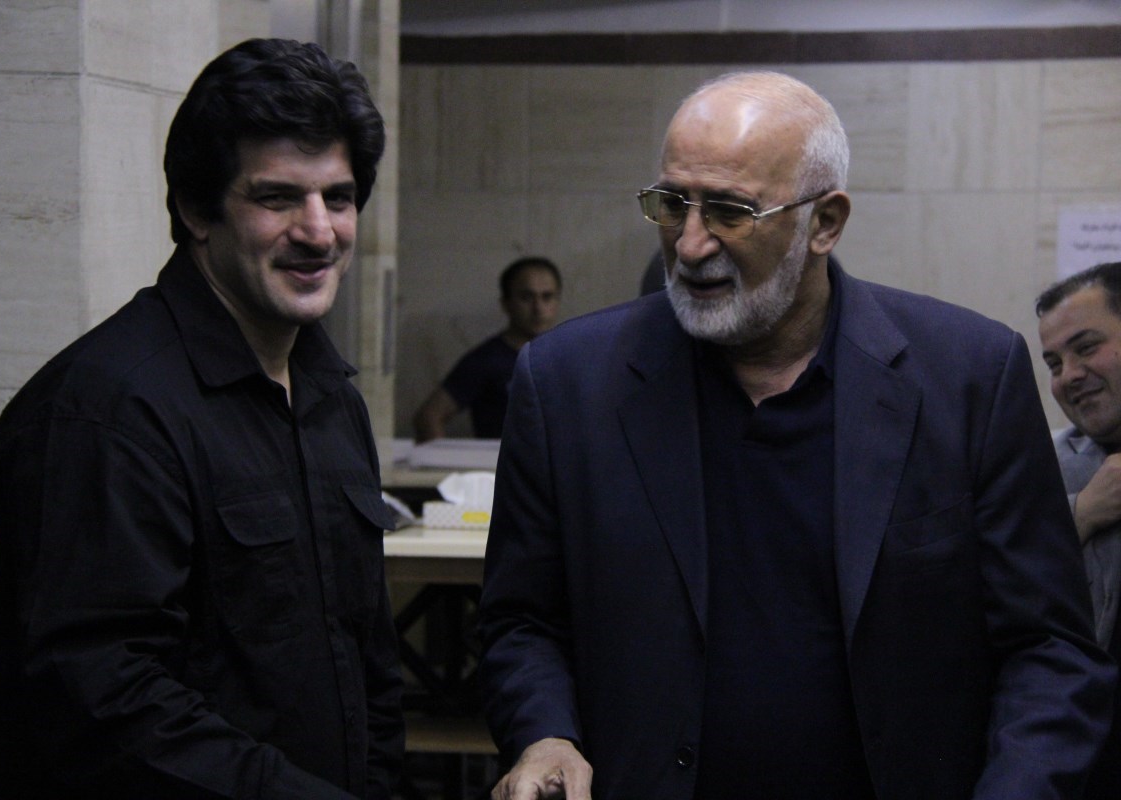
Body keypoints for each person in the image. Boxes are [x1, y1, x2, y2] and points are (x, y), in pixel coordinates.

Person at [478, 71, 1114, 800]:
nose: (690, 244)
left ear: (825, 223)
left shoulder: (968, 377)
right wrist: (545, 733)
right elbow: (520, 621)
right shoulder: (567, 384)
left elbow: (1050, 648)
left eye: (730, 211)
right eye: (672, 204)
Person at [0, 38, 403, 799]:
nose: (319, 231)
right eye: (277, 198)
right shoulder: (106, 410)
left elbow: (365, 660)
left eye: (338, 197)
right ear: (196, 209)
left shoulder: (330, 395)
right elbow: (100, 702)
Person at [1036, 261, 1121, 800]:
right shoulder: (1041, 466)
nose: (1068, 375)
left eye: (1086, 348)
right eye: (1054, 362)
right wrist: (1083, 513)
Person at [412, 256, 561, 442]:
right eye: (526, 297)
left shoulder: (570, 356)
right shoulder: (486, 360)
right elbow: (429, 417)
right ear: (506, 303)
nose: (538, 308)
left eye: (547, 297)